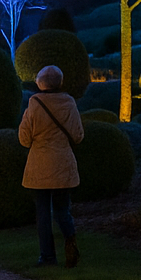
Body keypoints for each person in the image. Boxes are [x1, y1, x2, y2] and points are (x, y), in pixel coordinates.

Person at [18, 65, 84, 268]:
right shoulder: (69, 102)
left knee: (43, 212)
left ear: (40, 82)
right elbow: (78, 136)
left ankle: (47, 256)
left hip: (40, 166)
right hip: (63, 164)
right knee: (63, 210)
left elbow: (24, 139)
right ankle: (70, 241)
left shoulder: (34, 103)